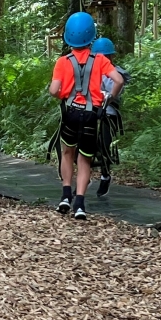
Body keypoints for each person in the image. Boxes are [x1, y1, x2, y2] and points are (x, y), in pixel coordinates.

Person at [49, 13, 122, 220]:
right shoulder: (100, 60)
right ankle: (79, 204)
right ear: (92, 36)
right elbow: (118, 80)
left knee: (66, 153)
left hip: (70, 113)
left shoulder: (63, 62)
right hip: (92, 115)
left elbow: (54, 90)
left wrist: (64, 95)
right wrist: (109, 98)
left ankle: (65, 196)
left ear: (68, 37)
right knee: (85, 159)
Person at [89, 36, 127, 199]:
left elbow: (114, 93)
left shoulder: (116, 73)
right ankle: (85, 178)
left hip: (108, 114)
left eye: (105, 56)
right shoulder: (91, 70)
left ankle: (105, 175)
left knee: (103, 146)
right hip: (90, 112)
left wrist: (104, 96)